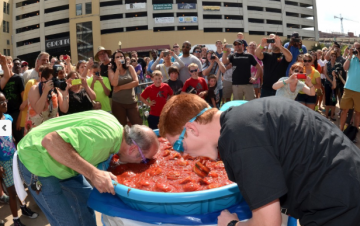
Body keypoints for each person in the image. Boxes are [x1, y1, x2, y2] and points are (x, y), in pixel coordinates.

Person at [158, 94, 360, 226]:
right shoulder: (248, 115)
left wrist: (232, 224)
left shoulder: (237, 138)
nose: (183, 155)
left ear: (192, 129)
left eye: (178, 146)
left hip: (340, 209)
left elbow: (268, 223)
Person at [16, 110, 159, 226]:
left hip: (65, 163)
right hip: (37, 163)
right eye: (144, 160)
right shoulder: (102, 140)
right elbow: (50, 141)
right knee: (67, 222)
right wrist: (93, 173)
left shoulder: (115, 127)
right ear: (133, 149)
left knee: (87, 202)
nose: (142, 164)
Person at [0, 92, 39, 226]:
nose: (4, 104)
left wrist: (17, 150)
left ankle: (23, 209)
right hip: (3, 162)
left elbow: (8, 138)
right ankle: (16, 220)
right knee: (12, 192)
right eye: (1, 102)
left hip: (14, 156)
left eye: (5, 100)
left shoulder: (8, 118)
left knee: (21, 185)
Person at [26, 66, 69, 134]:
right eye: (52, 79)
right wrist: (45, 92)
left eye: (56, 79)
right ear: (43, 79)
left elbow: (64, 109)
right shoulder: (35, 89)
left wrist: (65, 95)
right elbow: (38, 110)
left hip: (52, 130)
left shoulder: (55, 90)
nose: (55, 82)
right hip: (36, 131)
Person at [108, 50, 142, 126]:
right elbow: (114, 83)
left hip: (131, 102)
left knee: (138, 124)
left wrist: (120, 88)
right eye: (117, 57)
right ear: (114, 60)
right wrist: (117, 69)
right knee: (122, 126)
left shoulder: (130, 67)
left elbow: (136, 82)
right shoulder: (111, 70)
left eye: (121, 56)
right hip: (118, 103)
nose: (120, 58)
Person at [0, 56, 25, 144]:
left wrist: (20, 118)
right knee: (7, 141)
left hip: (16, 114)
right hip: (4, 116)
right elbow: (6, 75)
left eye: (9, 63)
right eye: (4, 64)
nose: (7, 65)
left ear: (12, 64)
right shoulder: (2, 80)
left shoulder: (18, 79)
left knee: (19, 140)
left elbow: (24, 100)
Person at [339, 42, 360, 131]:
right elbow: (345, 68)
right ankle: (340, 130)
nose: (356, 50)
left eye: (358, 48)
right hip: (348, 88)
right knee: (344, 111)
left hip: (359, 91)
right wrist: (350, 56)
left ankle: (354, 132)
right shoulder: (351, 58)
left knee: (358, 113)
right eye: (354, 48)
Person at [323, 51, 340, 121]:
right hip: (328, 83)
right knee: (327, 100)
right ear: (330, 57)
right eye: (332, 56)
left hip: (335, 84)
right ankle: (326, 116)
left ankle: (332, 115)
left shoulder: (338, 65)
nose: (333, 57)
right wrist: (331, 81)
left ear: (336, 57)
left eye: (334, 56)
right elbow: (325, 74)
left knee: (334, 100)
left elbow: (339, 75)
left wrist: (334, 83)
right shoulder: (327, 64)